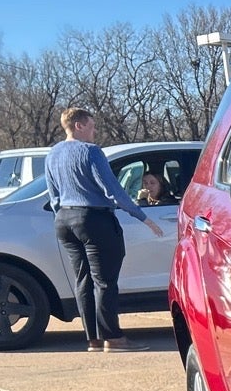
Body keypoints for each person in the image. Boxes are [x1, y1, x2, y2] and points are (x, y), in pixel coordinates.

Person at [43, 108, 164, 351]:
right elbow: (113, 190)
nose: (94, 131)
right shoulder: (91, 152)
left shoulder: (52, 154)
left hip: (64, 220)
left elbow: (53, 194)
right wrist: (142, 216)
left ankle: (94, 339)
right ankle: (113, 338)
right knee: (104, 281)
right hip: (94, 219)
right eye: (91, 126)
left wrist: (63, 216)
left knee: (83, 280)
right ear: (78, 126)